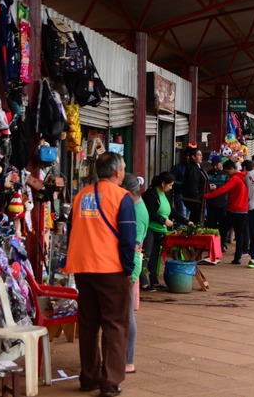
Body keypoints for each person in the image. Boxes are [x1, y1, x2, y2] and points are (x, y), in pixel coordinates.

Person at [64, 152, 136, 397]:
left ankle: (89, 377)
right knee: (115, 325)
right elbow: (127, 239)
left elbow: (72, 230)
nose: (124, 172)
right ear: (117, 172)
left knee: (88, 323)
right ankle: (110, 382)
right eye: (123, 168)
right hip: (110, 269)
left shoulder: (81, 195)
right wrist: (128, 269)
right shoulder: (122, 197)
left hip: (83, 267)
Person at [142, 172, 191, 290]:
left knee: (155, 256)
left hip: (160, 230)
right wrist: (163, 220)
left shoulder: (165, 194)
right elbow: (148, 212)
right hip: (150, 228)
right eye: (170, 185)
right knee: (146, 255)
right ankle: (143, 283)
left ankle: (154, 281)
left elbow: (172, 212)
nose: (171, 187)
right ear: (163, 183)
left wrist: (186, 221)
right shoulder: (151, 194)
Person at [120, 173, 148, 375]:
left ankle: (128, 360)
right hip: (129, 261)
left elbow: (134, 245)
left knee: (127, 315)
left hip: (131, 262)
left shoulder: (138, 211)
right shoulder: (134, 206)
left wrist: (129, 271)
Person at [204, 159, 248, 264]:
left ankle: (216, 253)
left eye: (227, 171)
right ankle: (237, 257)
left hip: (233, 209)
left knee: (223, 231)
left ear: (232, 169)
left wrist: (207, 196)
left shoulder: (235, 179)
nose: (226, 173)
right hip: (244, 209)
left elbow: (223, 189)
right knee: (239, 233)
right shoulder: (245, 177)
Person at [205, 155, 229, 248]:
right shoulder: (208, 173)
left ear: (221, 164)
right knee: (211, 225)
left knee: (223, 225)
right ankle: (212, 244)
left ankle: (222, 243)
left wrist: (217, 188)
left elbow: (227, 187)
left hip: (223, 203)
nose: (214, 167)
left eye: (216, 165)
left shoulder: (225, 174)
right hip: (211, 203)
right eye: (213, 165)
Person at [183, 148, 210, 225]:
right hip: (196, 200)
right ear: (193, 157)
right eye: (198, 155)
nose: (201, 157)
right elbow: (193, 184)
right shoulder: (193, 168)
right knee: (196, 219)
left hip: (201, 198)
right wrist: (197, 197)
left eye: (201, 155)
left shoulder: (199, 167)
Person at [170, 147, 191, 220]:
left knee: (188, 216)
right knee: (182, 215)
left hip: (191, 195)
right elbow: (171, 181)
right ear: (184, 156)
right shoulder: (178, 167)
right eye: (188, 155)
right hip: (180, 194)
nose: (189, 158)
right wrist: (184, 184)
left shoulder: (194, 168)